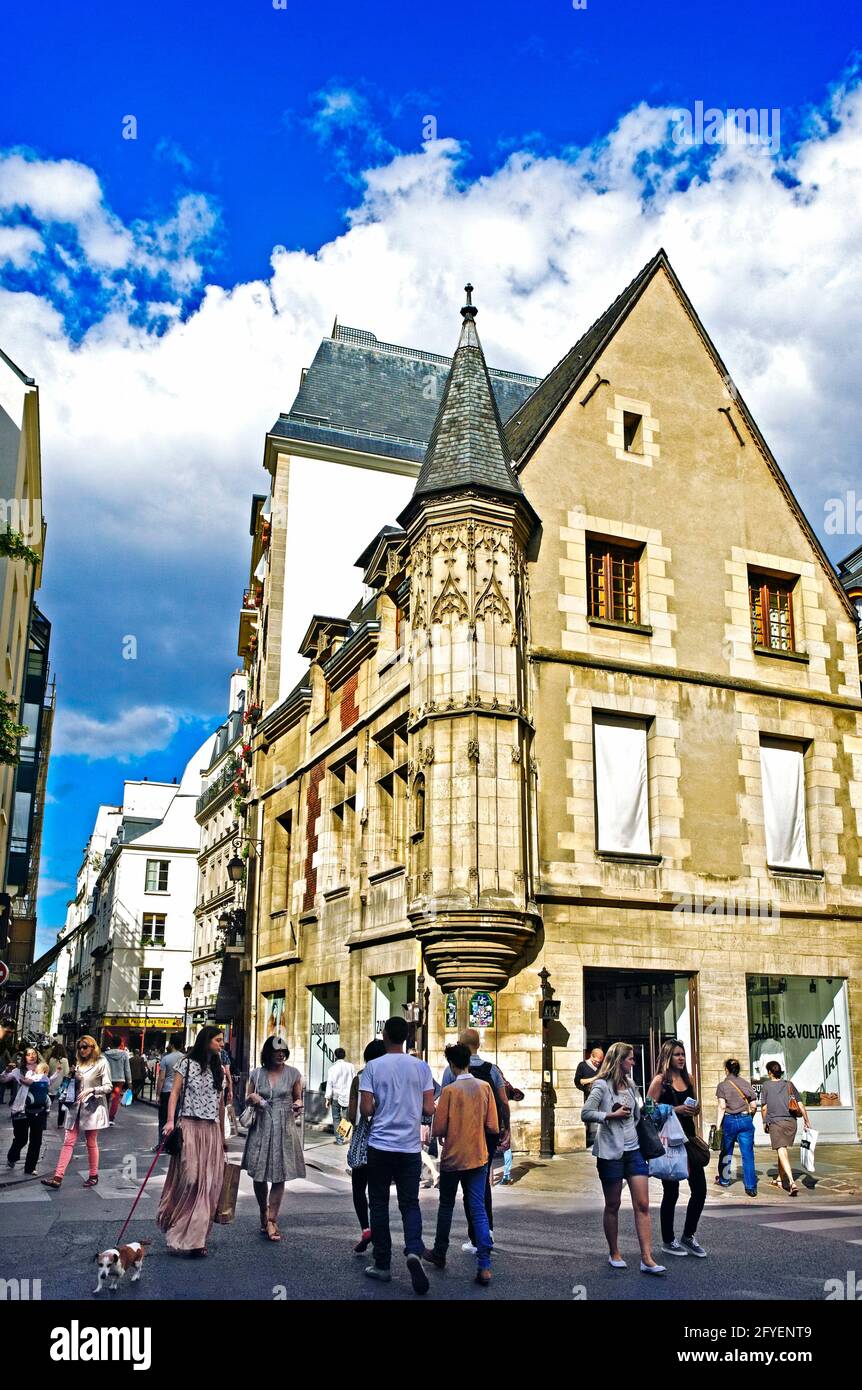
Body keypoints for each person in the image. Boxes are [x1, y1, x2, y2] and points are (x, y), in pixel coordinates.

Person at [359, 1016, 435, 1294]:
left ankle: (382, 1264)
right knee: (409, 1203)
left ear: (385, 1034)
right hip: (409, 1147)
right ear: (406, 1037)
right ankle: (414, 1249)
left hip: (380, 1145)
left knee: (378, 1203)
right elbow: (428, 1109)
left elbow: (366, 1109)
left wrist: (380, 1104)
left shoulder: (373, 1067)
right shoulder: (421, 1067)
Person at [582, 1040, 666, 1275]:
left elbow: (638, 1114)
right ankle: (614, 1252)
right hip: (611, 1152)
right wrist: (610, 1115)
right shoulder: (601, 1086)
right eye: (630, 1058)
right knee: (613, 1204)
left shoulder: (631, 1085)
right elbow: (586, 1113)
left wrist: (651, 1109)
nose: (633, 1062)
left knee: (643, 1204)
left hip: (635, 1150)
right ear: (619, 1061)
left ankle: (647, 1258)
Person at [424, 1043, 498, 1286]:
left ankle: (440, 1252)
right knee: (477, 1207)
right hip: (478, 1155)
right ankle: (484, 1263)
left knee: (446, 1206)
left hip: (453, 1157)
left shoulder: (449, 1091)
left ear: (451, 1064)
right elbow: (493, 1126)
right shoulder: (485, 1087)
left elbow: (439, 1129)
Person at [158, 1025, 227, 1255]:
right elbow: (174, 1093)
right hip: (189, 1125)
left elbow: (220, 1104)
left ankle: (197, 1239)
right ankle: (178, 1222)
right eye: (218, 1040)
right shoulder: (185, 1064)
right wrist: (170, 1121)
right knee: (190, 1179)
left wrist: (222, 1134)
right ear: (206, 1041)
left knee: (207, 1184)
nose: (222, 1044)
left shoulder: (220, 1069)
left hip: (210, 1130)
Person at [440, 1028, 509, 1253]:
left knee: (450, 1200)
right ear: (478, 1045)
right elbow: (503, 1104)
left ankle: (445, 1248)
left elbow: (440, 1119)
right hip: (484, 1139)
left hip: (458, 1141)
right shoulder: (492, 1072)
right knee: (480, 1188)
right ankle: (485, 1235)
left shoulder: (451, 1076)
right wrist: (505, 1129)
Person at [647, 1039, 708, 1259]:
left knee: (700, 1190)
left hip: (689, 1140)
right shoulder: (660, 1081)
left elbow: (694, 1105)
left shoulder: (688, 1078)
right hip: (669, 1143)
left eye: (683, 1054)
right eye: (677, 1055)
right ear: (667, 1057)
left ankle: (688, 1236)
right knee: (671, 1192)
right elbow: (648, 1111)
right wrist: (676, 1109)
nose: (681, 1058)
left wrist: (695, 1108)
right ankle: (667, 1240)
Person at [241, 1034, 305, 1240]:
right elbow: (247, 1098)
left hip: (283, 1127)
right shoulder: (256, 1074)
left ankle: (272, 1219)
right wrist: (254, 1098)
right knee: (259, 1175)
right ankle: (263, 1209)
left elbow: (297, 1098)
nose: (280, 1055)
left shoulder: (294, 1074)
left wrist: (297, 1105)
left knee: (279, 1175)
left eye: (283, 1052)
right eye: (276, 1052)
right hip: (261, 1126)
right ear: (267, 1053)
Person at [41, 1036, 112, 1189]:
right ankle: (57, 1177)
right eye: (79, 1047)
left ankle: (94, 1175)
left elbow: (108, 1086)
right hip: (75, 1106)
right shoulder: (79, 1063)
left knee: (91, 1142)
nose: (82, 1050)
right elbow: (73, 1084)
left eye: (85, 1046)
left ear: (93, 1047)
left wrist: (92, 1090)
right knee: (68, 1141)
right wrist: (71, 1075)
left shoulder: (102, 1062)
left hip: (92, 1107)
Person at [346, 1038, 387, 1252]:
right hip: (385, 1140)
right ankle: (380, 1234)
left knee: (358, 1189)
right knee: (378, 1192)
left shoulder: (360, 1078)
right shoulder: (390, 1075)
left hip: (363, 1141)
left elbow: (352, 1115)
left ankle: (366, 1228)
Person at [761, 1060, 810, 1196]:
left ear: (770, 1072)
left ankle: (791, 1182)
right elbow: (800, 1104)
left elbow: (764, 1107)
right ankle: (779, 1179)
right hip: (791, 1124)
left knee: (782, 1151)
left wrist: (764, 1122)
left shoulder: (766, 1086)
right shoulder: (789, 1084)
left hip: (776, 1123)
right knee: (781, 1150)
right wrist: (806, 1121)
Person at [714, 1057, 758, 1197]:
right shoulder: (746, 1083)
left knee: (726, 1151)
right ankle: (751, 1187)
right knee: (748, 1155)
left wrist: (718, 1125)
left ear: (726, 1070)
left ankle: (724, 1180)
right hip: (745, 1119)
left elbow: (722, 1106)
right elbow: (753, 1105)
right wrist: (749, 1118)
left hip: (729, 1121)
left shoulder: (722, 1085)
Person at [3, 1048, 50, 1174]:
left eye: (34, 1054)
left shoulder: (42, 1070)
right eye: (28, 1054)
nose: (31, 1056)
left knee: (36, 1140)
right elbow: (3, 1080)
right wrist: (6, 1071)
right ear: (24, 1057)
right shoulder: (18, 1071)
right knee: (21, 1138)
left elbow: (48, 1085)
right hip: (21, 1109)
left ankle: (30, 1168)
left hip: (38, 1109)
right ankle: (12, 1157)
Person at [155, 1033, 186, 1149]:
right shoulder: (185, 1058)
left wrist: (158, 1094)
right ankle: (175, 1144)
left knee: (163, 1118)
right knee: (176, 1118)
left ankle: (162, 1144)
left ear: (171, 1044)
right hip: (180, 1092)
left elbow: (161, 1078)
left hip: (167, 1091)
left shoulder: (166, 1059)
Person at [325, 1047, 356, 1144]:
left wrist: (327, 1098)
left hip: (336, 1096)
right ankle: (344, 1135)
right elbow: (355, 1080)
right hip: (348, 1095)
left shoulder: (332, 1068)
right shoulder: (351, 1066)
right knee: (346, 1118)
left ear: (335, 1056)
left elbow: (329, 1083)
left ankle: (339, 1139)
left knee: (336, 1118)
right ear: (344, 1055)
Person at [576, 1046, 605, 1148]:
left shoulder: (602, 1067)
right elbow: (578, 1081)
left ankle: (600, 1141)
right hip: (588, 1096)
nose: (597, 1064)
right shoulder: (582, 1066)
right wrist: (594, 1079)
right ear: (591, 1056)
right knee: (590, 1118)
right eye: (596, 1061)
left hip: (602, 1097)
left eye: (599, 1062)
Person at [103, 1036, 132, 1122]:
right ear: (120, 1043)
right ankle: (111, 1118)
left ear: (111, 1043)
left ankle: (104, 1117)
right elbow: (127, 1069)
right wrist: (129, 1081)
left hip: (107, 1079)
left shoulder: (106, 1054)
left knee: (106, 1099)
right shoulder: (124, 1054)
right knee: (115, 1099)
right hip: (120, 1079)